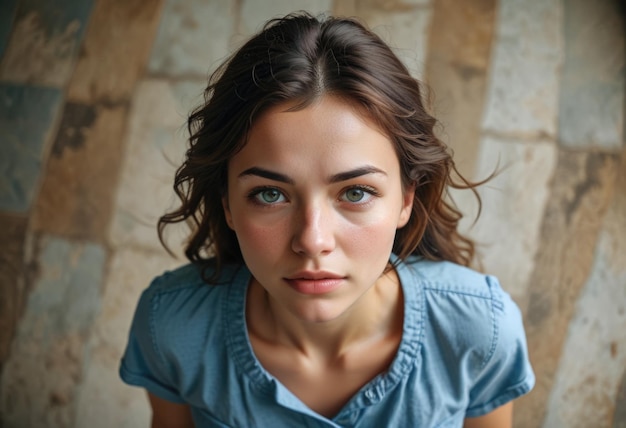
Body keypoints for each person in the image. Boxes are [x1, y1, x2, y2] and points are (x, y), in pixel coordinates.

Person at [119, 11, 534, 428]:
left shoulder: (480, 331)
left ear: (406, 198)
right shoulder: (170, 327)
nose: (313, 240)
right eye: (270, 194)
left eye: (355, 193)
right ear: (228, 203)